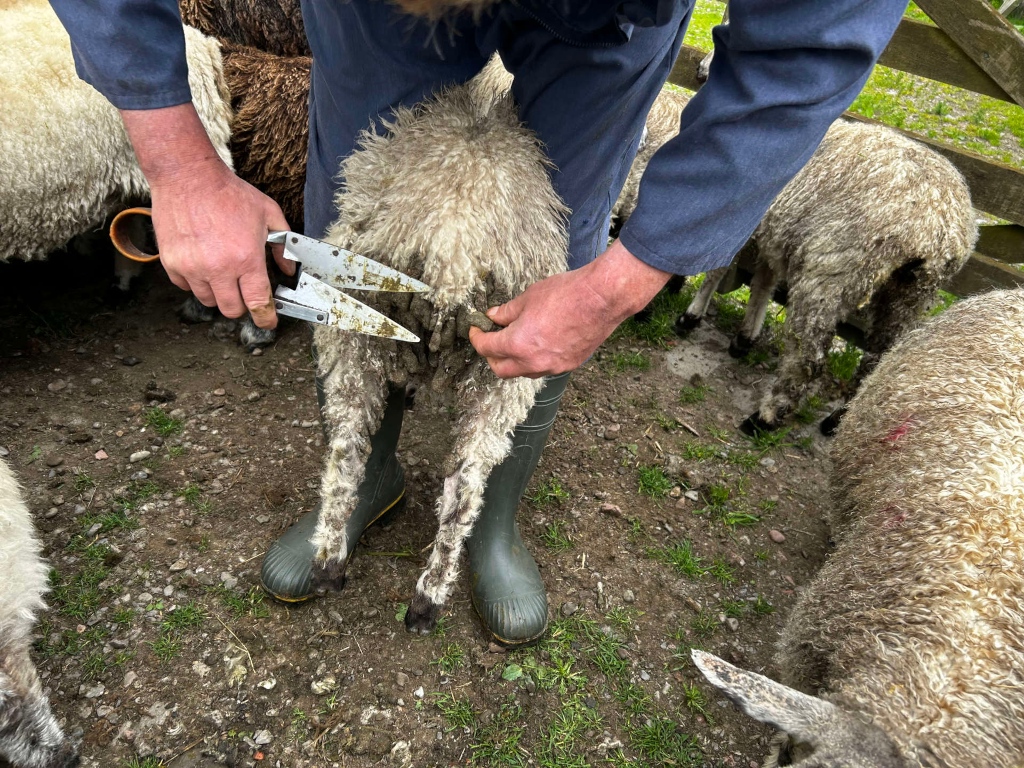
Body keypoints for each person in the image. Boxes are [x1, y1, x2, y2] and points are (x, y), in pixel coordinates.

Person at [49, 0, 906, 644]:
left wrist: (617, 284)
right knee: (360, 209)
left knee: (550, 241)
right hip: (375, 13)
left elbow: (809, 45)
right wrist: (181, 168)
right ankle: (362, 476)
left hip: (609, 17)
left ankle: (490, 510)